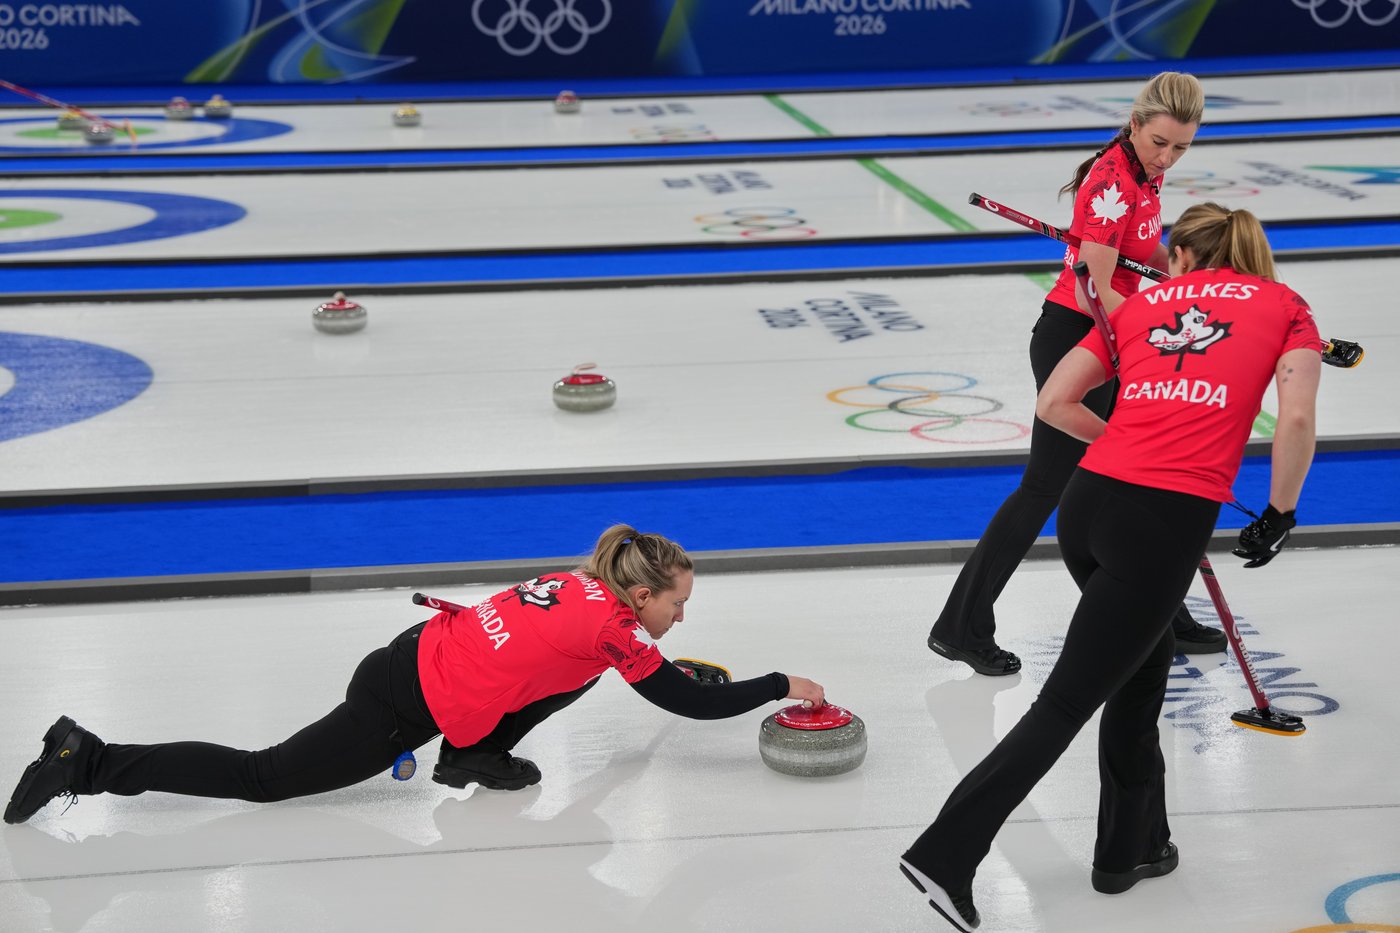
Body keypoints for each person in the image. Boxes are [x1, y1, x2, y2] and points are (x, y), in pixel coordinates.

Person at [900, 202, 1322, 930]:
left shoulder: (1146, 302)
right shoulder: (1285, 306)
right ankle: (944, 853)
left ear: (1185, 257)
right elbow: (1295, 419)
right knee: (1065, 703)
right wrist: (1280, 513)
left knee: (1142, 666)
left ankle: (1130, 846)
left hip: (1087, 504)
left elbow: (1056, 402)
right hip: (1159, 524)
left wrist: (1128, 445)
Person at [4, 525, 826, 825]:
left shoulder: (585, 583)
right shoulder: (615, 627)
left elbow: (609, 660)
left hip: (408, 656)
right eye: (676, 604)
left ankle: (472, 753)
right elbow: (680, 697)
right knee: (263, 777)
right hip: (397, 708)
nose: (681, 616)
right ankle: (93, 757)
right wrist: (780, 680)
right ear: (641, 594)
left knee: (583, 671)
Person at [928, 71, 1227, 677]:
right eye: (1159, 142)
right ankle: (961, 625)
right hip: (1081, 336)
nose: (1167, 155)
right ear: (1136, 123)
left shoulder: (1146, 171)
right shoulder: (1112, 181)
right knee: (1046, 487)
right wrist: (1163, 332)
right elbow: (1095, 287)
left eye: (1180, 147)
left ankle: (1164, 611)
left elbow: (1131, 260)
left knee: (1141, 477)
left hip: (1116, 333)